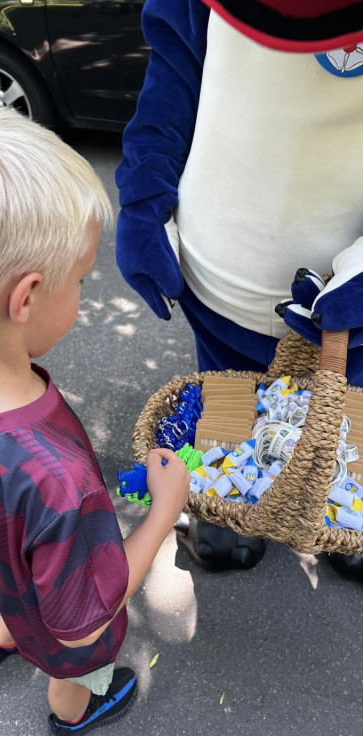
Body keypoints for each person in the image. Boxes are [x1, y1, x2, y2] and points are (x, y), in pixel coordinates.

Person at [0, 93, 190, 736]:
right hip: (65, 608)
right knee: (76, 658)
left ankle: (1, 638)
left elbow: (10, 519)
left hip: (5, 549)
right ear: (26, 297)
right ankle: (71, 716)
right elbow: (82, 621)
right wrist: (163, 511)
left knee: (19, 572)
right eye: (79, 279)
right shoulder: (60, 480)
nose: (85, 289)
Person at [115, 0, 363, 577]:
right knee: (229, 397)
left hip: (344, 300)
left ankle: (341, 499)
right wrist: (143, 201)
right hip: (221, 276)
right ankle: (228, 503)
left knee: (343, 408)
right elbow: (172, 79)